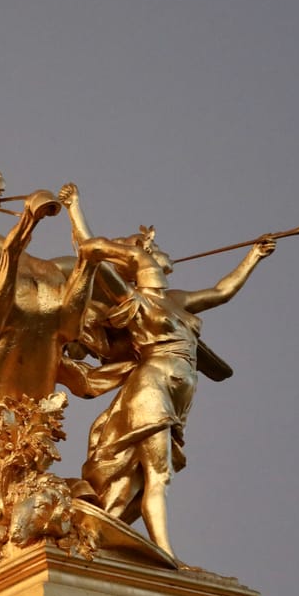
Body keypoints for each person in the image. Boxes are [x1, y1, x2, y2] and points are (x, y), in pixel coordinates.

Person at [59, 184, 275, 560]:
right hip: (152, 387)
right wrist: (74, 207)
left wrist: (254, 256)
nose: (160, 254)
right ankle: (166, 556)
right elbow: (89, 250)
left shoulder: (178, 301)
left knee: (140, 478)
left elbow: (222, 291)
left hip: (178, 395)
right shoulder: (130, 298)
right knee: (158, 475)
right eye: (152, 252)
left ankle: (100, 534)